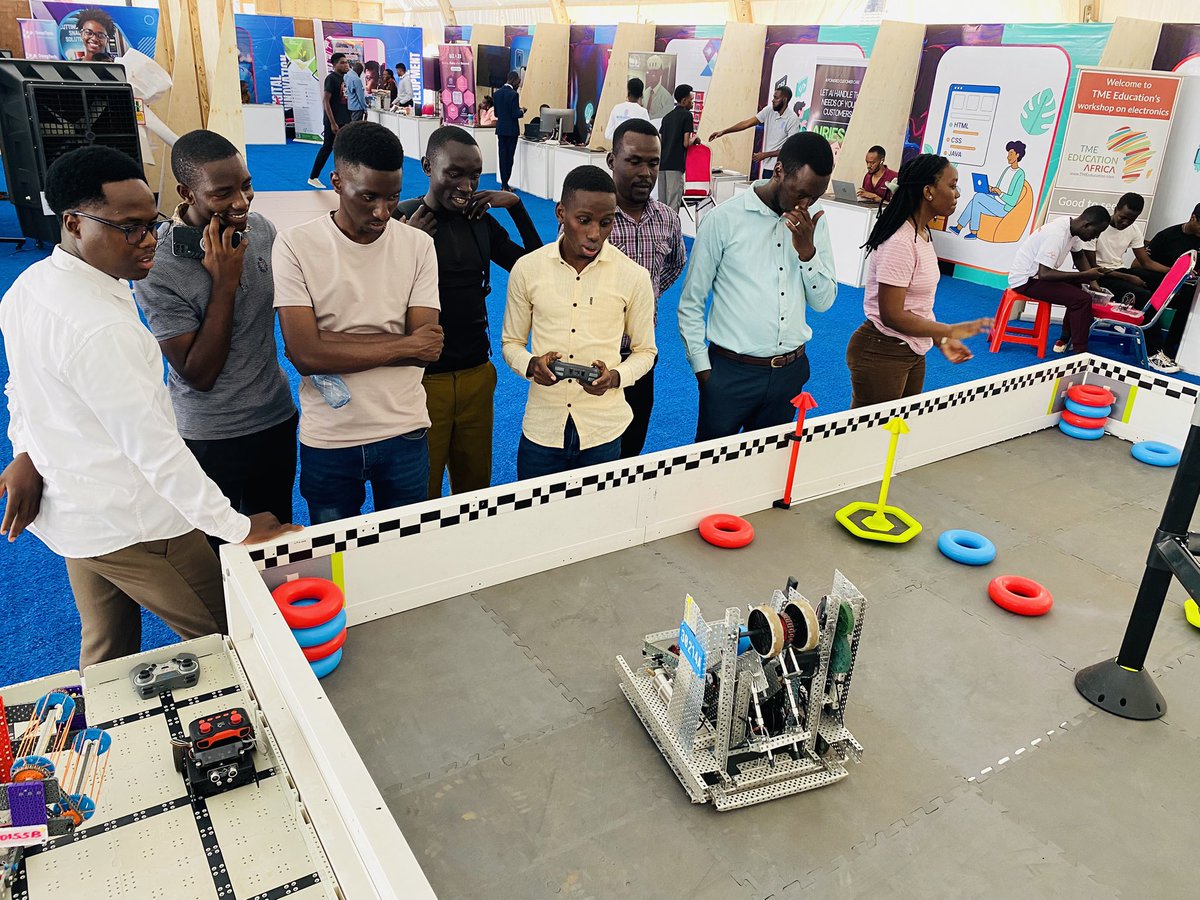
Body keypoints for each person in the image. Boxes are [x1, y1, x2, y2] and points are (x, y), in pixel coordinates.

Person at [0, 146, 297, 668]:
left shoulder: (28, 287)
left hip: (75, 516)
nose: (150, 242)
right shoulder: (103, 330)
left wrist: (25, 448)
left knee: (107, 652)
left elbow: (22, 390)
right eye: (129, 228)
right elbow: (156, 452)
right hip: (138, 523)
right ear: (72, 223)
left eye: (151, 223)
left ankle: (100, 742)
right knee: (237, 638)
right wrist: (238, 528)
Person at [133, 129, 298, 545]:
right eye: (223, 193)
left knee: (274, 539)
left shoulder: (261, 230)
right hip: (211, 434)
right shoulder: (160, 266)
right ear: (186, 192)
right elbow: (198, 373)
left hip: (275, 416)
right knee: (218, 551)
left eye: (246, 186)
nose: (241, 202)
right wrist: (224, 282)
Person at [275, 122, 443, 524]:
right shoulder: (296, 245)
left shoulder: (418, 245)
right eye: (368, 196)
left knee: (408, 553)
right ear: (335, 181)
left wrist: (331, 343)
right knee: (336, 564)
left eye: (393, 197)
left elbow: (429, 348)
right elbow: (305, 355)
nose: (383, 212)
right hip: (330, 437)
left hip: (404, 429)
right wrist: (402, 344)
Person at [396, 127, 542, 497]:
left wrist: (517, 206)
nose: (466, 184)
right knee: (420, 491)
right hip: (422, 380)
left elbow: (536, 266)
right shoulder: (403, 220)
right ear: (428, 166)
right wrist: (405, 246)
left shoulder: (479, 221)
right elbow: (373, 298)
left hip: (477, 372)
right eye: (454, 173)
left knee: (475, 487)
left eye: (475, 174)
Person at [679, 132, 837, 441]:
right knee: (709, 469)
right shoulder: (723, 220)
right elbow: (691, 301)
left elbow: (824, 302)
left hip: (790, 372)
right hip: (729, 374)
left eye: (814, 197)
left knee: (767, 472)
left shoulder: (813, 225)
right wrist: (703, 371)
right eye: (800, 192)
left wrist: (807, 252)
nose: (805, 204)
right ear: (778, 171)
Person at [502, 166, 656, 479]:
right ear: (561, 213)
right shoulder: (527, 269)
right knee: (534, 521)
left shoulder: (634, 277)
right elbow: (511, 344)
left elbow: (646, 352)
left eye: (606, 222)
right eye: (583, 220)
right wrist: (532, 365)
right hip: (543, 428)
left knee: (598, 523)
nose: (595, 233)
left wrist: (614, 377)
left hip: (603, 430)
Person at [846, 155, 992, 407]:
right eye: (952, 185)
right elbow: (892, 315)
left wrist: (940, 339)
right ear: (928, 191)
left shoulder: (922, 232)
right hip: (882, 349)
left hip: (911, 349)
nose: (957, 194)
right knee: (872, 437)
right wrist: (947, 331)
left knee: (897, 430)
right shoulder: (901, 242)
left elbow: (916, 306)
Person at [606, 118, 686, 457]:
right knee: (590, 453)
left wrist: (647, 298)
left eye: (653, 163)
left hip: (641, 356)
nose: (646, 172)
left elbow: (674, 265)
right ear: (612, 162)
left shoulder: (668, 218)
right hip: (595, 356)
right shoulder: (593, 216)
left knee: (631, 448)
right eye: (634, 161)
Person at [1007, 206, 1112, 354]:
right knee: (1082, 300)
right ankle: (1080, 352)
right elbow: (1045, 274)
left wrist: (1093, 283)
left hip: (1036, 277)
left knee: (1078, 287)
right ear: (1086, 225)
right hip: (1026, 281)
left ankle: (1065, 338)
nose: (1096, 237)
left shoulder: (1071, 227)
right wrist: (1086, 276)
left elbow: (1079, 256)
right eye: (1096, 232)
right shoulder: (1057, 235)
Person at [1122, 204, 1200, 371]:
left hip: (1188, 286)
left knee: (1191, 296)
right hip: (1160, 280)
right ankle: (1158, 349)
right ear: (1193, 217)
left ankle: (1174, 349)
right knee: (1183, 294)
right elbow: (1141, 264)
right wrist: (1174, 273)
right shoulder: (1168, 236)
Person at [708, 86, 799, 177]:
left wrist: (765, 155)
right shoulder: (769, 110)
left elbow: (790, 148)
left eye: (776, 98)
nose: (773, 100)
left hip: (782, 168)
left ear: (785, 99)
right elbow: (746, 123)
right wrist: (723, 132)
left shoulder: (792, 119)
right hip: (767, 167)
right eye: (773, 97)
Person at [949, 140, 1027, 239]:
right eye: (1008, 154)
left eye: (1011, 154)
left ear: (1017, 155)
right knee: (975, 202)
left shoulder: (1020, 174)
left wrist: (1000, 193)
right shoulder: (1007, 169)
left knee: (978, 197)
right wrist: (991, 189)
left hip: (1004, 208)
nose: (1008, 156)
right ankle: (961, 228)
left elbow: (1013, 201)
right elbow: (999, 188)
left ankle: (971, 231)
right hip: (996, 200)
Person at [307, 52, 351, 189]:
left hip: (344, 119)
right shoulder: (331, 79)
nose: (346, 65)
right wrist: (332, 122)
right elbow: (326, 101)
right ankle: (313, 177)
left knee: (344, 149)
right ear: (335, 64)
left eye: (346, 62)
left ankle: (343, 177)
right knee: (327, 147)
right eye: (342, 63)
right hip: (334, 120)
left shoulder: (345, 79)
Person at [657, 84, 697, 214]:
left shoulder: (667, 117)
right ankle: (672, 233)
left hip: (662, 165)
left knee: (662, 204)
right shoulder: (687, 116)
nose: (692, 103)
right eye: (691, 100)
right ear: (684, 100)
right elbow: (686, 143)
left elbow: (660, 141)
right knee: (673, 205)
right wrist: (695, 140)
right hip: (676, 165)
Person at [493, 71, 525, 192]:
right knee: (509, 157)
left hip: (501, 130)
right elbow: (515, 113)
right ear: (515, 80)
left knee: (502, 157)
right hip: (511, 131)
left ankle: (504, 185)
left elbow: (496, 113)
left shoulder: (497, 94)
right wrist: (522, 111)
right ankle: (506, 184)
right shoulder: (513, 95)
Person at [643, 56, 674, 120]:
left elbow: (666, 118)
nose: (652, 75)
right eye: (650, 72)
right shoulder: (645, 93)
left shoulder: (667, 97)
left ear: (661, 72)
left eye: (655, 72)